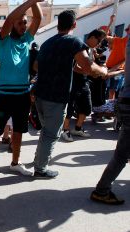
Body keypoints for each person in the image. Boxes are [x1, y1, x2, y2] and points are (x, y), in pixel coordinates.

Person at [32, 10, 107, 178]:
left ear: (58, 24)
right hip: (56, 96)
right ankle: (41, 168)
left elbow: (36, 66)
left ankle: (39, 161)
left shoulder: (47, 43)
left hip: (40, 94)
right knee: (51, 133)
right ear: (74, 24)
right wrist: (102, 70)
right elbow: (88, 66)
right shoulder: (74, 42)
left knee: (46, 131)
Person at [0, 0, 43, 175]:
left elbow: (39, 17)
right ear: (13, 24)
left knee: (19, 130)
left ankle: (15, 162)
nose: (23, 26)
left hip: (23, 94)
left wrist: (34, 3)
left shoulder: (27, 39)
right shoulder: (3, 40)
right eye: (20, 23)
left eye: (25, 22)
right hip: (5, 94)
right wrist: (31, 1)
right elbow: (10, 18)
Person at [90, 27, 130, 205]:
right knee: (122, 154)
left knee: (122, 153)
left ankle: (102, 189)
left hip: (126, 99)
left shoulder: (127, 44)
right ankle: (102, 190)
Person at [61, 29, 106, 142]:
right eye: (99, 40)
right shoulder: (80, 47)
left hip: (84, 82)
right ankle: (65, 130)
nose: (99, 44)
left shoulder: (91, 50)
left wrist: (94, 73)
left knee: (87, 107)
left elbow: (90, 67)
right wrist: (90, 72)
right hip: (74, 81)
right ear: (92, 38)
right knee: (70, 107)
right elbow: (74, 67)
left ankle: (78, 128)